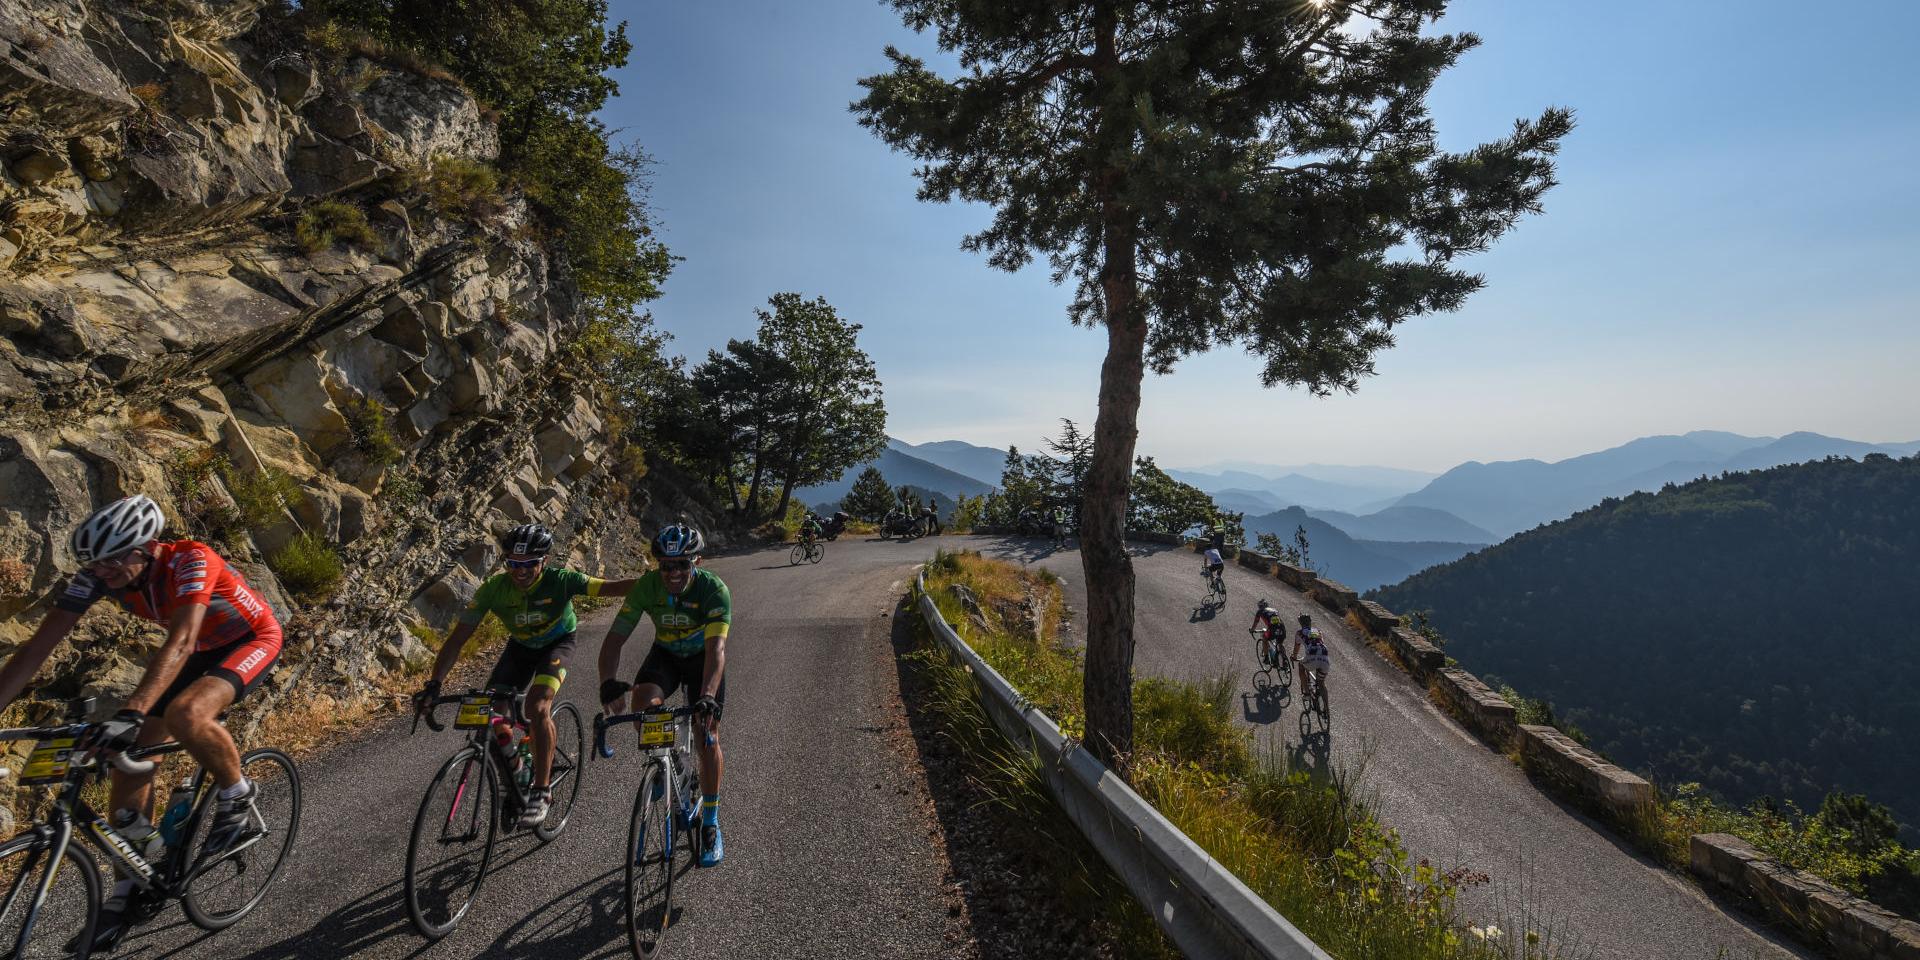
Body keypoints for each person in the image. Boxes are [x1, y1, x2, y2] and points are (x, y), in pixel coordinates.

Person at [0, 495, 285, 949]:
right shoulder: (95, 578)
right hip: (191, 654)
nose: (103, 572)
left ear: (145, 547)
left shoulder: (191, 560)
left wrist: (131, 712)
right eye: (94, 565)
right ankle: (126, 889)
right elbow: (36, 650)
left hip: (249, 640)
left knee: (187, 713)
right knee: (127, 761)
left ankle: (237, 792)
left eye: (113, 560)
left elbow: (183, 639)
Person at [414, 524, 638, 827]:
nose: (521, 571)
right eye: (514, 564)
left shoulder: (561, 580)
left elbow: (609, 587)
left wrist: (658, 580)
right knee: (490, 719)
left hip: (557, 644)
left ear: (543, 562)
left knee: (537, 707)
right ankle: (517, 770)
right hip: (520, 647)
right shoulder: (494, 589)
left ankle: (542, 791)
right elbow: (457, 640)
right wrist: (434, 683)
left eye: (530, 563)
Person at [597, 523, 732, 867]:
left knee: (707, 734)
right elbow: (615, 639)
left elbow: (716, 649)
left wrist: (709, 696)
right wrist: (608, 681)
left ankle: (712, 822)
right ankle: (671, 761)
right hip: (667, 656)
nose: (673, 573)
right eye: (666, 566)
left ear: (695, 561)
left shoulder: (714, 590)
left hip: (702, 659)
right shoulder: (647, 586)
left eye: (681, 564)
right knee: (643, 705)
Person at [1293, 613, 1330, 703]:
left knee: (1301, 666)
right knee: (1321, 683)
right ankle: (1326, 710)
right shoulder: (1318, 631)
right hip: (1325, 657)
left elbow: (1296, 648)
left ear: (1301, 623)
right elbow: (1320, 642)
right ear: (1310, 622)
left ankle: (1307, 694)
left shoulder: (1299, 633)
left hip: (1312, 657)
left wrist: (1294, 656)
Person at [1250, 599, 1283, 668]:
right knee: (1280, 644)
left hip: (1272, 630)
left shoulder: (1260, 611)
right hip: (1282, 629)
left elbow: (1256, 622)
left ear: (1260, 606)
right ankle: (1285, 662)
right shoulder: (1274, 610)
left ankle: (1266, 658)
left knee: (1264, 638)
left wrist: (1252, 630)